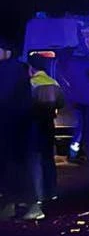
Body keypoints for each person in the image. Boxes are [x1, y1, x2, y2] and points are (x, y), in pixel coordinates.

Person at [21, 53, 64, 219]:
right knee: (48, 158)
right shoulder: (54, 82)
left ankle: (37, 197)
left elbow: (26, 104)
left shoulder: (31, 83)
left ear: (31, 68)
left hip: (34, 124)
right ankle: (52, 192)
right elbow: (61, 103)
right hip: (49, 125)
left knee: (35, 161)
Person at [0, 34, 31, 219]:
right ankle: (16, 202)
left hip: (11, 123)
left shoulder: (11, 69)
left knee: (11, 166)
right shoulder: (17, 68)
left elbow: (6, 97)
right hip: (15, 122)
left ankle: (12, 204)